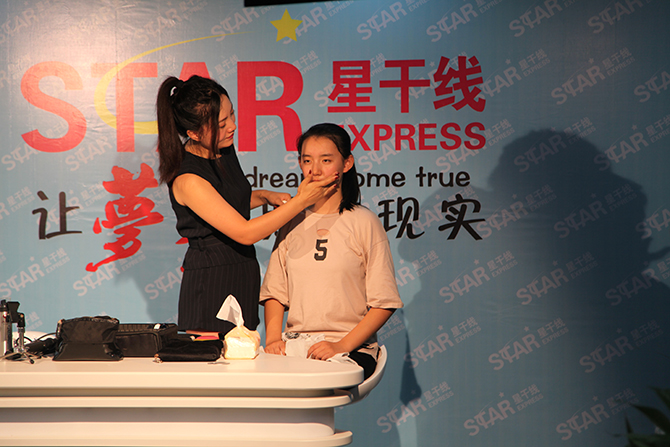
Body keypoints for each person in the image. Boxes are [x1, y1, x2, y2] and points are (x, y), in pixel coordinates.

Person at [156, 76, 339, 337]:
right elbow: (245, 232)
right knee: (216, 358)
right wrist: (302, 200)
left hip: (242, 269)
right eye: (222, 124)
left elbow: (226, 203)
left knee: (246, 353)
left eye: (232, 114)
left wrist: (264, 196)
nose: (233, 126)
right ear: (194, 134)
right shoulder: (189, 180)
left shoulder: (221, 148)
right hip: (212, 280)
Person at [260, 123, 403, 379]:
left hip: (351, 347)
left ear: (346, 164)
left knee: (322, 380)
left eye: (326, 160)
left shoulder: (364, 222)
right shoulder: (290, 221)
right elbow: (275, 291)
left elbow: (384, 302)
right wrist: (272, 340)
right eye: (307, 161)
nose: (315, 170)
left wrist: (340, 346)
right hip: (296, 346)